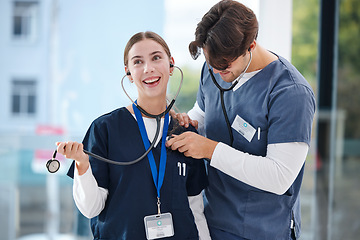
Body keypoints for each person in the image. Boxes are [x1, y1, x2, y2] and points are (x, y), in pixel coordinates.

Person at [166, 1, 316, 240]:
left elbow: (279, 177)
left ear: (251, 46)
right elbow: (203, 114)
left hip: (262, 229)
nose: (216, 73)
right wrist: (189, 122)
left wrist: (210, 149)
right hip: (212, 219)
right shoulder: (214, 66)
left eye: (224, 66)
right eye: (210, 64)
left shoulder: (290, 92)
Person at [56, 31, 210, 240]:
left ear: (171, 64)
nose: (149, 68)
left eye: (156, 57)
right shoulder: (104, 129)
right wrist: (83, 165)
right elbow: (91, 209)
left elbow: (195, 208)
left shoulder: (185, 132)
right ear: (128, 73)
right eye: (138, 62)